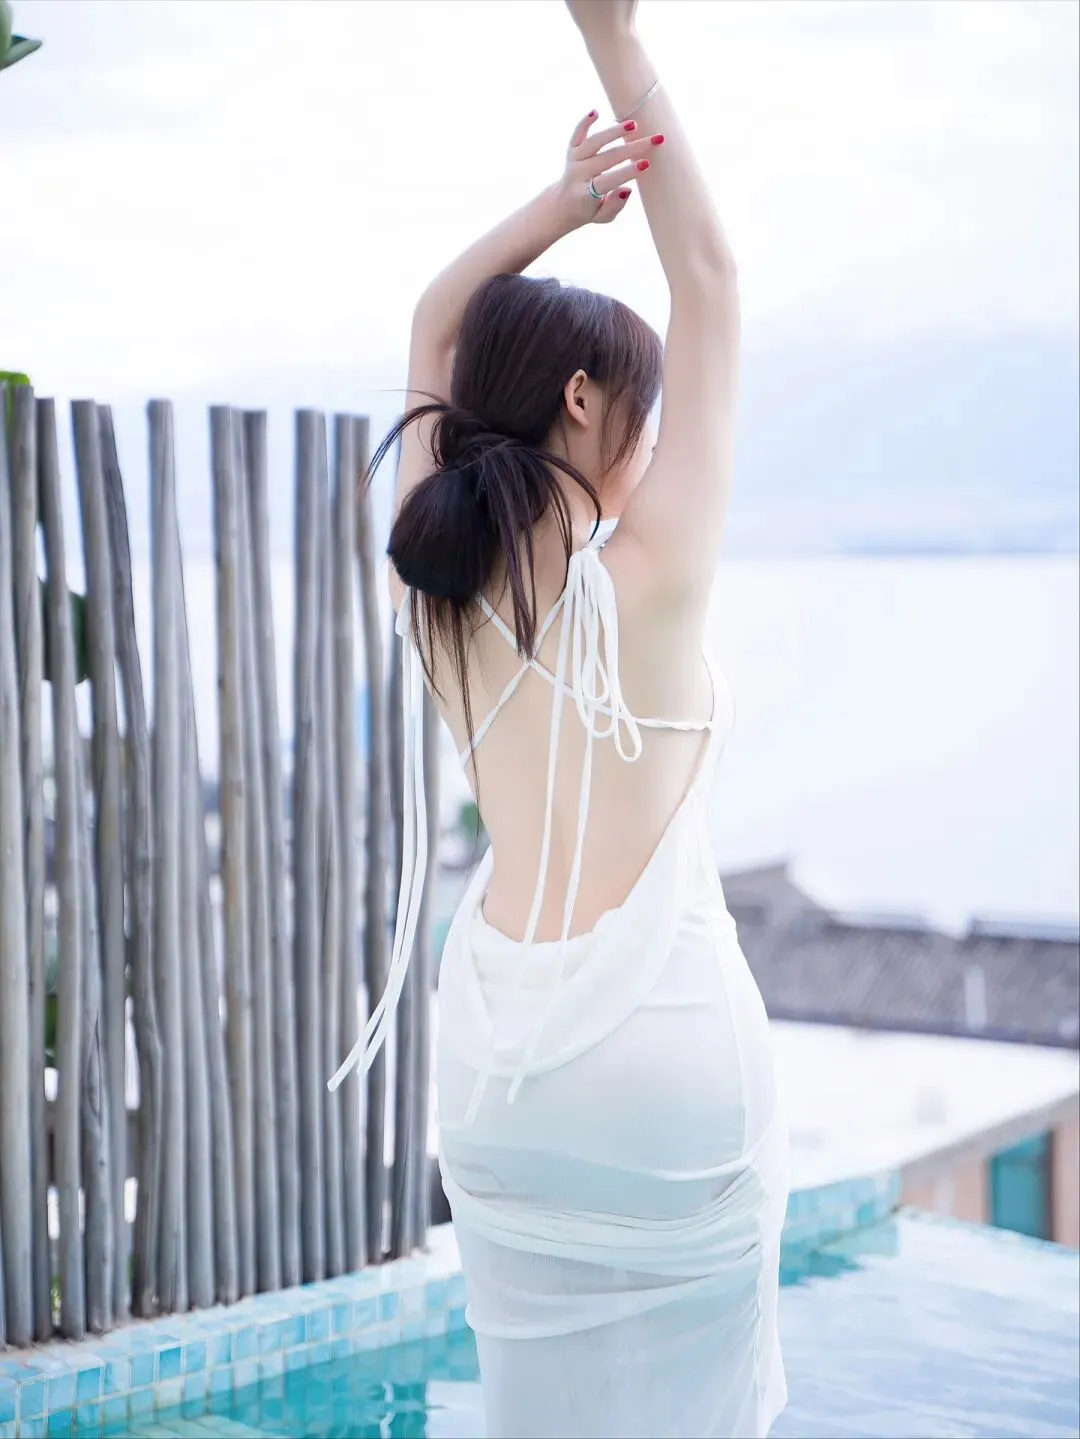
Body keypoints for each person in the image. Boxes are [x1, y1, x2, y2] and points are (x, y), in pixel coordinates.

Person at [330, 2, 790, 1434]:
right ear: (584, 402)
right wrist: (614, 37)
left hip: (500, 1078)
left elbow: (433, 319)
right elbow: (711, 278)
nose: (653, 446)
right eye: (639, 418)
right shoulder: (649, 584)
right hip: (667, 1070)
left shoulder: (429, 583)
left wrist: (560, 207)